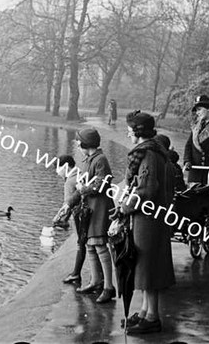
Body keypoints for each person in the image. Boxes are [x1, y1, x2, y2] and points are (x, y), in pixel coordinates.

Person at [118, 111, 175, 335]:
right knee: (144, 265)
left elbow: (146, 190)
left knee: (148, 266)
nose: (127, 132)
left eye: (130, 129)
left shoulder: (149, 155)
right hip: (151, 218)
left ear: (138, 132)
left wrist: (124, 207)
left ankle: (152, 317)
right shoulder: (153, 151)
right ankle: (144, 311)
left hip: (149, 220)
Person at [73, 128, 116, 303]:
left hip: (100, 208)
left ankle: (109, 287)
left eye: (78, 143)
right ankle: (96, 281)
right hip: (92, 207)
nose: (77, 145)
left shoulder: (100, 160)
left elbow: (103, 183)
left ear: (86, 144)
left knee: (99, 245)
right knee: (90, 245)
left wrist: (84, 188)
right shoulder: (91, 159)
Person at [51, 155, 85, 283]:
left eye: (59, 168)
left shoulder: (70, 181)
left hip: (78, 215)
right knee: (86, 244)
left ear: (66, 166)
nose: (57, 172)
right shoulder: (80, 174)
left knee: (81, 244)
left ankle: (76, 273)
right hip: (83, 213)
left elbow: (68, 204)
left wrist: (60, 218)